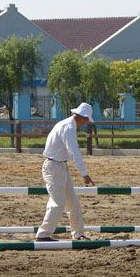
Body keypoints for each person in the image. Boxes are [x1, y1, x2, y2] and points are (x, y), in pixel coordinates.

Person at [35, 102, 95, 242]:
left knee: (73, 202)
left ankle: (78, 234)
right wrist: (84, 174)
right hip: (54, 167)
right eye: (86, 119)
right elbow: (74, 152)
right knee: (58, 203)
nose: (86, 123)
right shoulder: (68, 128)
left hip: (60, 166)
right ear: (82, 117)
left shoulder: (67, 125)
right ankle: (43, 234)